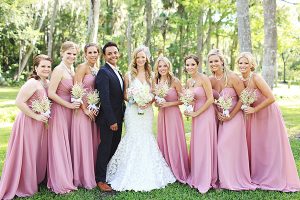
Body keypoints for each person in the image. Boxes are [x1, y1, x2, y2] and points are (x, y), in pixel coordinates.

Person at [106, 46, 176, 192]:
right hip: (132, 110)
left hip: (147, 111)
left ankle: (148, 170)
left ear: (147, 58)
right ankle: (126, 170)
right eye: (138, 57)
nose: (141, 59)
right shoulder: (129, 75)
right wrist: (135, 100)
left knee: (146, 136)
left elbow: (154, 93)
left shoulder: (152, 76)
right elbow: (124, 94)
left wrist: (148, 101)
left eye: (143, 57)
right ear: (135, 59)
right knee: (132, 136)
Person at [237, 52, 300, 192]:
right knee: (257, 143)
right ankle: (258, 173)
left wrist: (254, 110)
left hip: (267, 113)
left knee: (269, 144)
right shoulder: (240, 79)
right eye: (240, 63)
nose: (243, 65)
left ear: (251, 65)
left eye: (246, 63)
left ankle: (273, 175)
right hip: (253, 114)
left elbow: (271, 98)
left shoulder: (256, 78)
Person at [0, 55, 52, 199]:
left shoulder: (46, 82)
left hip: (40, 123)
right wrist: (36, 116)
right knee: (27, 152)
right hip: (28, 122)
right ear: (36, 68)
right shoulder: (32, 83)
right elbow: (19, 102)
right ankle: (24, 184)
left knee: (35, 152)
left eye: (48, 66)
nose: (46, 69)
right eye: (43, 66)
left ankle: (36, 178)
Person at [208, 49, 255, 190]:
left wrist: (232, 115)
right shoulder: (210, 80)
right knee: (220, 147)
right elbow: (211, 100)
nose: (214, 63)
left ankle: (231, 180)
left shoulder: (233, 77)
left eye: (216, 60)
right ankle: (223, 178)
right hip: (221, 118)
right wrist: (217, 113)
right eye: (211, 62)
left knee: (223, 146)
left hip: (235, 117)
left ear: (222, 61)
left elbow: (243, 97)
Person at [47, 41, 80, 194]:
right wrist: (68, 106)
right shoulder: (58, 69)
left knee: (68, 143)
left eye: (74, 54)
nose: (71, 56)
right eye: (69, 53)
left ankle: (70, 175)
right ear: (62, 53)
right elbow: (51, 93)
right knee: (60, 145)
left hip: (70, 110)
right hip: (60, 110)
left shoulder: (71, 68)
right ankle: (60, 180)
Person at [184, 55, 218, 193]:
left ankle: (206, 177)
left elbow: (210, 99)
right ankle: (197, 175)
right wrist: (188, 108)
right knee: (197, 144)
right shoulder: (188, 81)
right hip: (195, 115)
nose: (190, 67)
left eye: (192, 64)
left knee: (205, 144)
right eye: (187, 65)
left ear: (197, 65)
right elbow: (191, 99)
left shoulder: (203, 78)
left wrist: (197, 113)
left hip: (206, 114)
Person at [94, 42, 126, 192]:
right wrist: (112, 120)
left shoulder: (117, 71)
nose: (113, 55)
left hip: (119, 117)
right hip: (109, 119)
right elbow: (104, 98)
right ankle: (100, 179)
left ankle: (109, 174)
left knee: (114, 146)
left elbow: (119, 96)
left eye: (115, 52)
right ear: (104, 56)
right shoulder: (103, 72)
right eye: (110, 53)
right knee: (105, 147)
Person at [154, 56, 189, 183]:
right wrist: (158, 103)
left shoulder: (175, 81)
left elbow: (183, 99)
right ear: (157, 68)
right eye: (160, 66)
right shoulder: (156, 81)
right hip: (162, 115)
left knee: (174, 141)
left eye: (165, 66)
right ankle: (166, 170)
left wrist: (168, 104)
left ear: (169, 67)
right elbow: (156, 100)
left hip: (173, 115)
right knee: (163, 140)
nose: (162, 68)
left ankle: (178, 169)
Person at [70, 43, 100, 189]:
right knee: (83, 143)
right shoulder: (82, 67)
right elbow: (76, 89)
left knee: (91, 142)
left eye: (95, 52)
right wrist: (84, 109)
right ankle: (81, 177)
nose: (93, 54)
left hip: (93, 110)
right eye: (90, 52)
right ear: (85, 54)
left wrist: (94, 107)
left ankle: (91, 173)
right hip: (82, 111)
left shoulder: (96, 69)